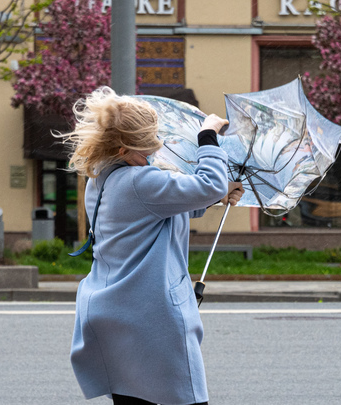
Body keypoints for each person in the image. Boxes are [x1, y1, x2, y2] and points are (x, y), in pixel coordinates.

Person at [63, 86, 244, 405]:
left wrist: (216, 196)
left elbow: (154, 211)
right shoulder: (140, 181)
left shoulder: (100, 181)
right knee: (188, 400)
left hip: (113, 314)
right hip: (152, 318)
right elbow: (207, 184)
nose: (152, 154)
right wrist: (207, 136)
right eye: (146, 149)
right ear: (122, 149)